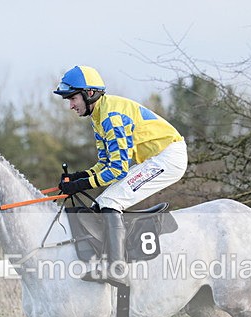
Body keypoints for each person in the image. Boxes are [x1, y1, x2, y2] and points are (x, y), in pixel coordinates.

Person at [54, 65, 188, 287]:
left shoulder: (111, 117)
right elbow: (105, 164)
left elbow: (117, 170)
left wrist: (81, 185)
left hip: (168, 157)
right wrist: (79, 177)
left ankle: (117, 269)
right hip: (156, 157)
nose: (70, 105)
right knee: (100, 203)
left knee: (110, 201)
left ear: (89, 93)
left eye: (72, 98)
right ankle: (106, 260)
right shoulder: (98, 115)